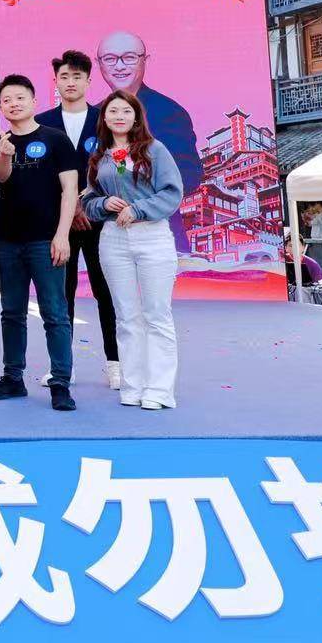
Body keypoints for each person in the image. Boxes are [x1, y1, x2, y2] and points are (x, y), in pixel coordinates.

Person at [81, 90, 186, 411]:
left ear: (137, 116)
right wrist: (103, 203)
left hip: (152, 237)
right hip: (113, 239)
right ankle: (132, 385)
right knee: (126, 316)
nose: (119, 116)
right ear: (104, 118)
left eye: (126, 111)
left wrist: (138, 209)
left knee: (157, 314)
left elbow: (172, 192)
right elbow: (89, 200)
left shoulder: (155, 150)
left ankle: (159, 389)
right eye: (113, 111)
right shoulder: (99, 156)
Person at [0, 73, 79, 412]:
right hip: (8, 241)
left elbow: (70, 190)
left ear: (34, 101)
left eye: (20, 98)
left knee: (55, 313)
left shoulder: (56, 140)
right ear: (1, 107)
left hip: (46, 240)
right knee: (11, 313)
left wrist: (62, 234)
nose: (13, 104)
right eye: (7, 100)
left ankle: (60, 383)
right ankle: (13, 378)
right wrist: (4, 154)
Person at [36, 50, 120, 391]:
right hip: (59, 224)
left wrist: (86, 204)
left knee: (106, 291)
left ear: (88, 81)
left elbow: (118, 169)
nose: (70, 83)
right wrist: (68, 211)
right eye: (64, 77)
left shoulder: (106, 119)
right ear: (55, 82)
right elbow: (40, 175)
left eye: (77, 77)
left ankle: (115, 363)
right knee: (61, 295)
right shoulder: (41, 122)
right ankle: (62, 366)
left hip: (100, 219)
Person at [95, 31, 202, 254]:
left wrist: (137, 201)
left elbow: (189, 175)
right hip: (106, 235)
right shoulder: (93, 116)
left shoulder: (170, 112)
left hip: (159, 234)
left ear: (145, 60)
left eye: (129, 57)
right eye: (110, 59)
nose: (119, 66)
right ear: (99, 64)